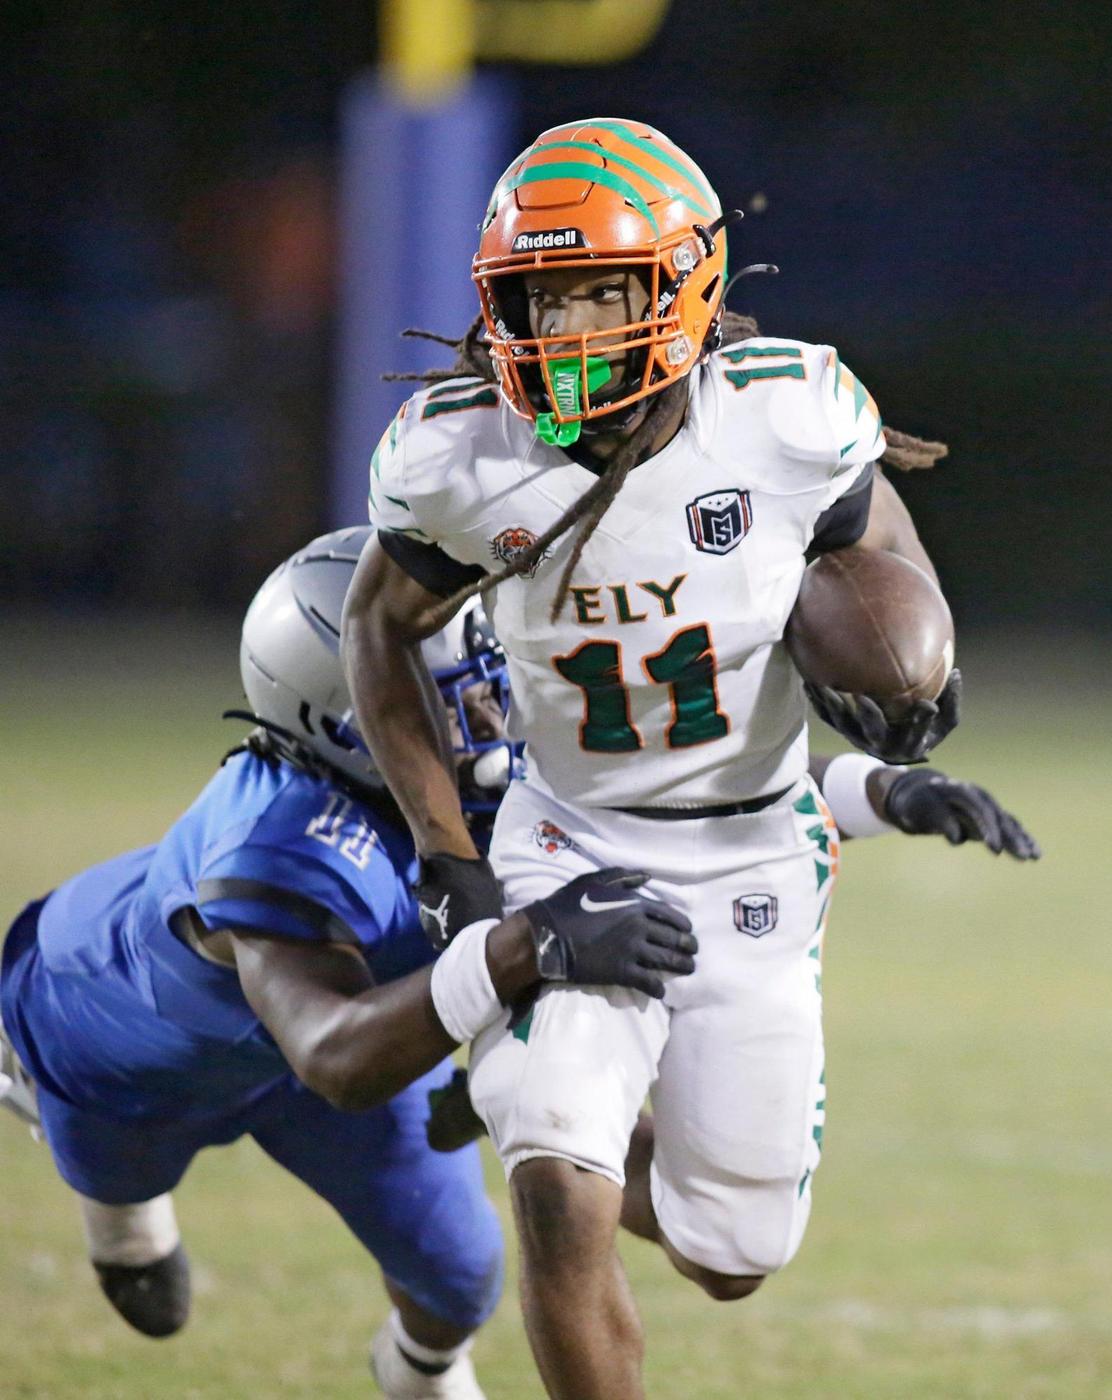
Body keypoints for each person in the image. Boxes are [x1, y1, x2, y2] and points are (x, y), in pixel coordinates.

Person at [342, 119, 1042, 1399]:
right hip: (565, 839)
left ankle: (555, 1112)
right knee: (558, 1188)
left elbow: (868, 514)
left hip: (752, 851)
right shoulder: (464, 456)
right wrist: (453, 864)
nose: (563, 332)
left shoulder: (783, 418)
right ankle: (549, 1112)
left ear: (685, 282)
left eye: (599, 292)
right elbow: (379, 627)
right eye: (535, 300)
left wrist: (915, 661)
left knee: (734, 1250)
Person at [0, 526, 700, 1400]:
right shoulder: (281, 847)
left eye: (484, 674)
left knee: (461, 1275)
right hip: (118, 1040)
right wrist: (530, 946)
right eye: (453, 695)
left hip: (354, 1020)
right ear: (349, 718)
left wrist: (865, 786)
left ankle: (416, 1376)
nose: (492, 710)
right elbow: (335, 1057)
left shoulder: (465, 777)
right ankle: (117, 1204)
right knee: (136, 1244)